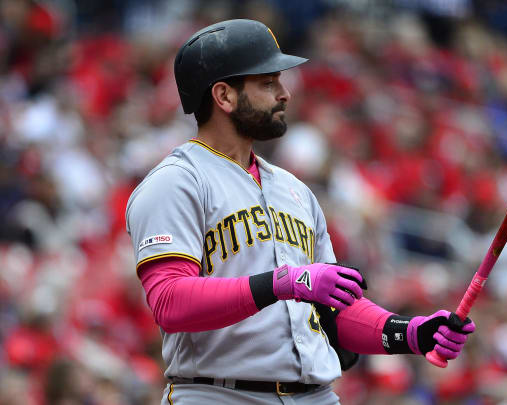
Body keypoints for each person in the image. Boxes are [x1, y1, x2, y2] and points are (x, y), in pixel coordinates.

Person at [125, 19, 475, 404]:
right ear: (223, 96)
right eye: (268, 82)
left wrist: (410, 333)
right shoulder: (177, 181)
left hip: (316, 395)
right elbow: (170, 301)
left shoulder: (296, 191)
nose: (285, 94)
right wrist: (281, 282)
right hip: (218, 394)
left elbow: (336, 311)